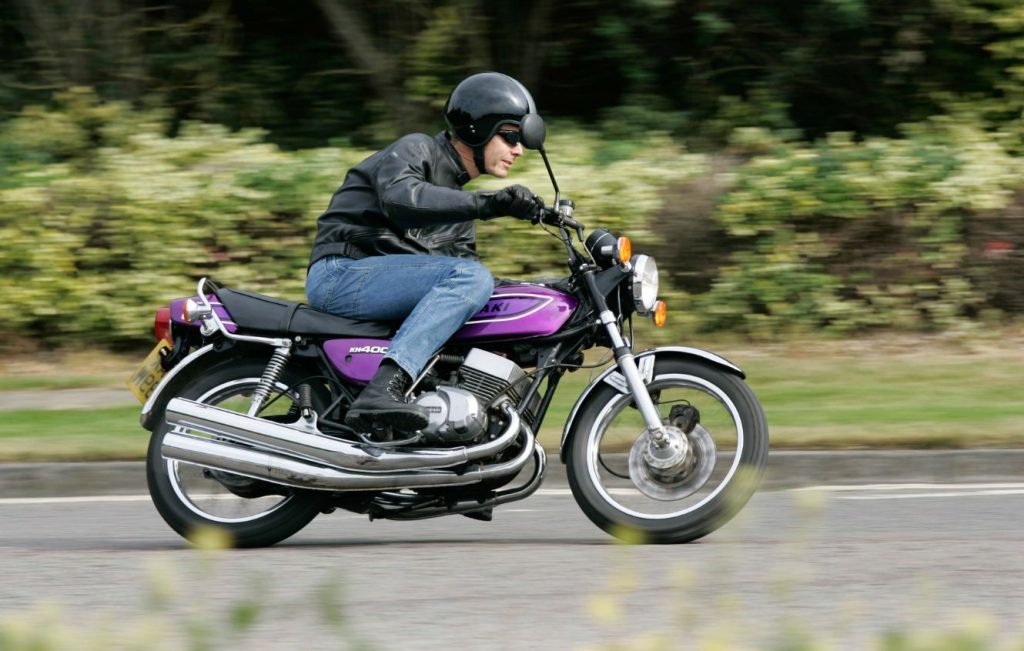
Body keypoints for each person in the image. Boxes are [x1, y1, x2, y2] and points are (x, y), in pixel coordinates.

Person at [305, 72, 543, 434]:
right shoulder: (417, 149)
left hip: (378, 285)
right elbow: (403, 199)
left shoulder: (459, 212)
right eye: (510, 136)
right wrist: (489, 204)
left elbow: (473, 289)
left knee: (483, 291)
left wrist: (548, 291)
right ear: (478, 128)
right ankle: (384, 389)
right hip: (341, 273)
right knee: (471, 277)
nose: (518, 150)